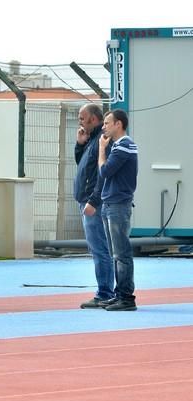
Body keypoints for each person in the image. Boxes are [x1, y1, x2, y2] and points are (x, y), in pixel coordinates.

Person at [74, 104, 114, 309]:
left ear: (94, 120)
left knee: (100, 248)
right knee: (97, 248)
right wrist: (80, 145)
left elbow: (101, 174)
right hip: (86, 200)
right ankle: (105, 291)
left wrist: (93, 201)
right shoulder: (91, 141)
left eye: (83, 118)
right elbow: (83, 166)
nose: (79, 121)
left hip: (92, 203)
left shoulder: (102, 141)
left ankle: (105, 292)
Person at [98, 109, 138, 311]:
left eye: (107, 123)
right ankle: (118, 294)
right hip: (111, 203)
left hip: (118, 205)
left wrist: (101, 150)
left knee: (121, 253)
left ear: (118, 124)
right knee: (115, 253)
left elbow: (105, 171)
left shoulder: (124, 146)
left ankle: (126, 297)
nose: (103, 127)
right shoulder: (119, 146)